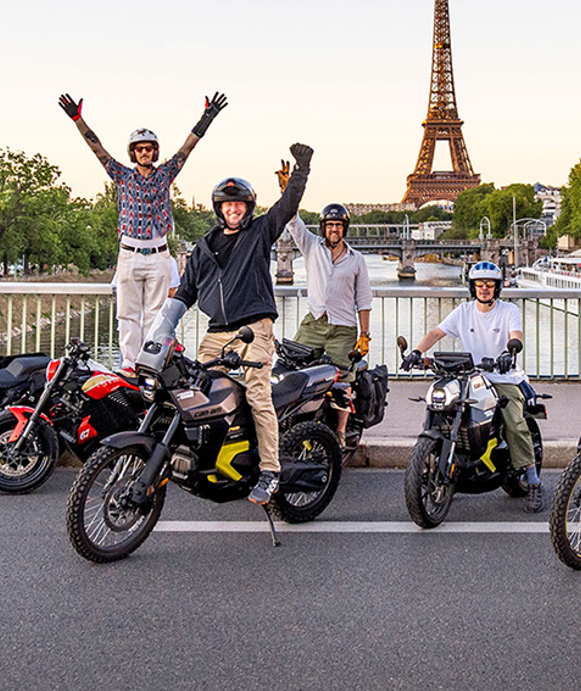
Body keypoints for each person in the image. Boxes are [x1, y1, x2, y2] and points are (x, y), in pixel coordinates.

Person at [155, 144, 312, 507]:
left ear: (248, 208)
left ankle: (270, 471)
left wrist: (301, 170)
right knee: (198, 394)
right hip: (216, 333)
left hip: (253, 328)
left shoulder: (259, 234)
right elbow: (187, 291)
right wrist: (164, 326)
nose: (233, 210)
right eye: (227, 205)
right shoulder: (205, 247)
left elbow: (287, 208)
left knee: (257, 395)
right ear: (219, 209)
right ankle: (219, 459)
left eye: (239, 204)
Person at [59, 91, 227, 368]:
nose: (145, 152)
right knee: (127, 314)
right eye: (140, 148)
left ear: (155, 151)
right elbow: (97, 149)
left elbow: (187, 149)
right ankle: (128, 365)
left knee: (155, 314)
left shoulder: (164, 175)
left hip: (158, 252)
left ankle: (149, 363)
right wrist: (78, 119)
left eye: (149, 148)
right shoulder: (122, 176)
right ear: (133, 153)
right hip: (129, 252)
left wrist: (207, 117)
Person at [407, 260, 542, 510]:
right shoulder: (463, 311)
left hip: (503, 377)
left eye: (490, 284)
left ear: (497, 287)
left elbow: (516, 336)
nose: (484, 289)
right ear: (472, 287)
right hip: (471, 376)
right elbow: (436, 333)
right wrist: (416, 351)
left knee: (514, 422)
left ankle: (532, 479)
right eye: (479, 284)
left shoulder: (508, 311)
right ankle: (447, 465)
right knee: (443, 408)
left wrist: (508, 353)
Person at [284, 196, 373, 443]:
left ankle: (340, 432)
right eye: (330, 225)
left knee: (342, 381)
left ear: (345, 228)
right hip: (313, 323)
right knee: (292, 368)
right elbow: (293, 223)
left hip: (343, 328)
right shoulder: (311, 246)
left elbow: (363, 301)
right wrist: (289, 191)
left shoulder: (356, 259)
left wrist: (364, 336)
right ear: (323, 227)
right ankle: (294, 421)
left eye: (339, 225)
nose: (334, 229)